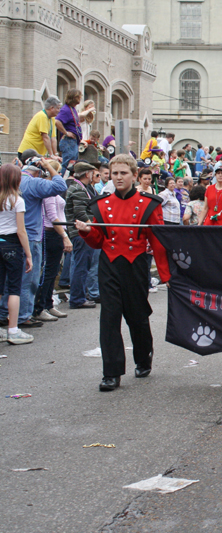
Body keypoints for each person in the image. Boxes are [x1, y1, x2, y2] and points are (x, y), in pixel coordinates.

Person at [75, 154, 170, 392]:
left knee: (137, 316)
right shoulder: (101, 204)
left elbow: (158, 242)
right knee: (109, 318)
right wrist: (87, 231)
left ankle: (143, 357)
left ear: (134, 176)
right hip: (109, 265)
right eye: (114, 173)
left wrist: (166, 275)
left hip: (136, 264)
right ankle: (111, 372)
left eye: (123, 173)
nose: (118, 177)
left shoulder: (149, 203)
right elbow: (98, 242)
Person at [0, 156, 66, 328]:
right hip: (29, 236)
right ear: (38, 170)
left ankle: (4, 314)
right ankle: (22, 316)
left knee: (7, 281)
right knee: (27, 280)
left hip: (6, 239)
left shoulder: (7, 185)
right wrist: (50, 168)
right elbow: (61, 185)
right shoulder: (33, 183)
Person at [0, 164, 34, 344]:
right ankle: (13, 330)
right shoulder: (17, 200)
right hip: (12, 244)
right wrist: (28, 254)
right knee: (14, 288)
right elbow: (21, 230)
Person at [34, 187, 71, 322]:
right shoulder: (48, 194)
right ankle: (39, 307)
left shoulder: (53, 192)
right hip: (51, 232)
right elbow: (52, 216)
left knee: (53, 271)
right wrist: (64, 236)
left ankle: (48, 304)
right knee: (48, 272)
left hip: (55, 233)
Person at [65, 162, 99, 310]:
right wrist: (90, 229)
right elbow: (80, 212)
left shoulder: (82, 187)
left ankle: (79, 296)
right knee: (80, 266)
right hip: (81, 232)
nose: (94, 175)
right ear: (87, 174)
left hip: (81, 232)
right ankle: (77, 299)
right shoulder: (78, 189)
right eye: (92, 172)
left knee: (80, 265)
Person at [55, 90, 93, 165]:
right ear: (74, 98)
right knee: (67, 164)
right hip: (68, 141)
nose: (80, 99)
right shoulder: (65, 109)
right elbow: (57, 121)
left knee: (72, 164)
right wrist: (65, 132)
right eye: (79, 97)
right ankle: (63, 176)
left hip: (73, 142)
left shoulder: (72, 109)